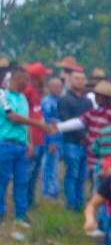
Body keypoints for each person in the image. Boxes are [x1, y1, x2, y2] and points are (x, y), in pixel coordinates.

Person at [0, 67, 46, 228]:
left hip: (21, 145)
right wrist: (38, 124)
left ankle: (21, 215)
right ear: (16, 78)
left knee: (22, 181)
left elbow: (25, 124)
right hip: (4, 144)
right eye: (24, 79)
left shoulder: (23, 99)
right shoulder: (2, 95)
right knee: (2, 180)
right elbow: (12, 117)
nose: (27, 83)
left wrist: (30, 142)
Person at [56, 68, 93, 211]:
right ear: (70, 81)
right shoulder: (64, 100)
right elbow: (66, 121)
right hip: (71, 142)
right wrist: (84, 136)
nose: (80, 81)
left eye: (83, 78)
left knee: (82, 176)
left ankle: (80, 203)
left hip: (86, 143)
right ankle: (71, 204)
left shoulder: (88, 101)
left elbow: (91, 120)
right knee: (72, 173)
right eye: (77, 78)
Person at [22, 63, 48, 209]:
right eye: (44, 75)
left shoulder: (36, 92)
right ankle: (25, 202)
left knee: (34, 172)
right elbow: (25, 116)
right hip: (32, 138)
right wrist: (28, 140)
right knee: (29, 172)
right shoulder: (28, 92)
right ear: (38, 77)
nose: (45, 78)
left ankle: (30, 201)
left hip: (39, 137)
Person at [39, 75, 62, 199]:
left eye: (60, 86)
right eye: (55, 86)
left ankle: (53, 190)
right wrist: (52, 141)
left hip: (59, 139)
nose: (58, 89)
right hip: (50, 139)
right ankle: (48, 192)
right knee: (49, 166)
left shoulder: (60, 100)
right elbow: (48, 123)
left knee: (55, 166)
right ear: (49, 87)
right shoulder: (47, 102)